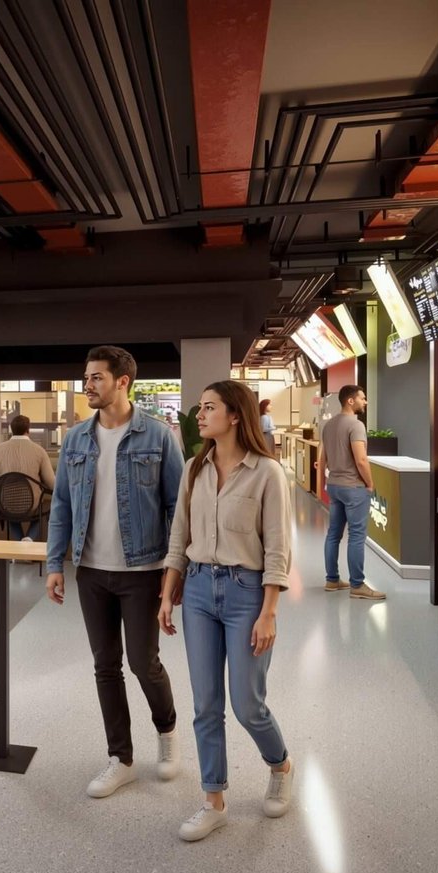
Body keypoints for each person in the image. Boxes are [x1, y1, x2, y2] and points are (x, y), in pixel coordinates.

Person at [158, 381, 294, 841]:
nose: (200, 414)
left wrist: (269, 610)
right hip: (197, 589)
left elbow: (278, 547)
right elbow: (180, 534)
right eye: (200, 408)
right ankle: (213, 799)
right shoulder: (195, 468)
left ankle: (280, 764)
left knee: (247, 703)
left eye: (209, 407)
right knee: (205, 705)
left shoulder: (266, 474)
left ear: (235, 415)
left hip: (246, 594)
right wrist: (167, 591)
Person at [47, 346, 185, 798]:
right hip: (91, 570)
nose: (87, 385)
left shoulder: (159, 436)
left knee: (143, 663)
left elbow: (177, 510)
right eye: (85, 377)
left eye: (96, 378)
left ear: (123, 381)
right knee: (105, 666)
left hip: (143, 568)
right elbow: (62, 505)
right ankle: (120, 758)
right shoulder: (75, 439)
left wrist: (175, 573)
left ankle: (166, 733)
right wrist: (55, 563)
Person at [315, 385, 384, 600]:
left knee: (333, 534)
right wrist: (370, 483)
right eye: (363, 398)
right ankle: (357, 585)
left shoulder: (328, 425)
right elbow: (361, 460)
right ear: (351, 401)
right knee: (356, 536)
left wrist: (321, 487)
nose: (365, 402)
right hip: (353, 487)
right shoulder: (356, 425)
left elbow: (322, 458)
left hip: (334, 485)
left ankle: (332, 580)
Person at [0, 415, 56, 542]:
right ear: (28, 430)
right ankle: (29, 538)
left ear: (11, 429)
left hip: (6, 504)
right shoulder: (39, 451)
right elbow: (53, 484)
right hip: (33, 505)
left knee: (7, 508)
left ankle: (20, 542)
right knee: (47, 507)